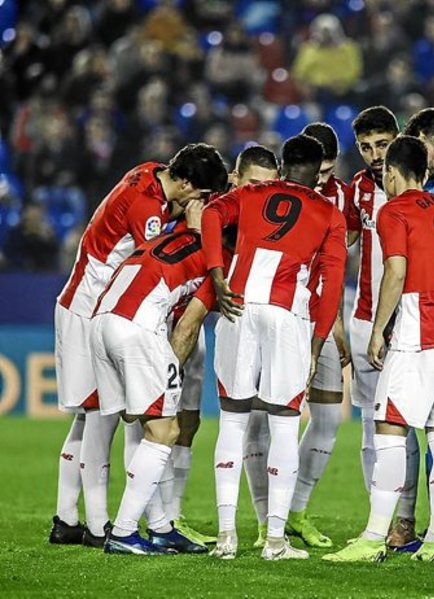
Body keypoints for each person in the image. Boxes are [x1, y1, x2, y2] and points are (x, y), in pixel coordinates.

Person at [50, 144, 228, 548]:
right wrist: (199, 231)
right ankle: (99, 527)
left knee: (96, 417)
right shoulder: (149, 212)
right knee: (100, 416)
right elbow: (161, 251)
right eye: (201, 196)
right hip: (89, 306)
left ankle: (69, 518)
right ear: (186, 184)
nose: (199, 204)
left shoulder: (149, 172)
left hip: (96, 303)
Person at [323, 136, 434, 563]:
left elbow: (395, 270)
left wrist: (378, 330)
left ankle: (374, 537)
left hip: (419, 326)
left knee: (389, 428)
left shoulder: (393, 210)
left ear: (392, 172)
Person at [201, 134, 347, 561]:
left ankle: (227, 537)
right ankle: (276, 541)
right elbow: (332, 285)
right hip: (287, 315)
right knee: (284, 424)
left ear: (282, 167)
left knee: (233, 421)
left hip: (238, 306)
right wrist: (317, 345)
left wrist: (217, 275)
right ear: (318, 175)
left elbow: (210, 214)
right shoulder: (329, 213)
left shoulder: (252, 193)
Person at [92, 201, 227, 555]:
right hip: (136, 328)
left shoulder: (169, 237)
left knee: (142, 426)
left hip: (102, 320)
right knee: (166, 430)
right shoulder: (218, 263)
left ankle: (160, 527)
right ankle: (123, 533)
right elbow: (186, 328)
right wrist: (171, 376)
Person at [162, 145, 280, 547]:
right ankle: (151, 518)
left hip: (194, 324)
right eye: (253, 184)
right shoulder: (202, 207)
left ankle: (172, 516)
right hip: (163, 318)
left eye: (269, 186)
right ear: (234, 181)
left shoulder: (259, 224)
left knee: (188, 421)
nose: (260, 193)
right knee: (155, 415)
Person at [242, 124, 352, 549]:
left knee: (326, 418)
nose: (318, 180)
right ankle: (263, 519)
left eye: (326, 172)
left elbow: (336, 268)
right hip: (280, 315)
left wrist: (334, 323)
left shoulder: (345, 200)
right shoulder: (276, 192)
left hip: (320, 320)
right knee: (259, 420)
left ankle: (296, 511)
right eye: (314, 171)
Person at [346, 106, 402, 500]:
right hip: (365, 317)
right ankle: (377, 515)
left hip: (409, 320)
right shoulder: (358, 188)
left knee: (403, 424)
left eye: (382, 144)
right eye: (366, 147)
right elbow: (343, 240)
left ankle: (407, 516)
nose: (375, 155)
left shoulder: (419, 186)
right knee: (369, 423)